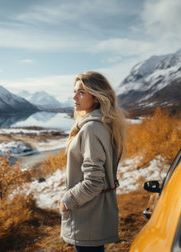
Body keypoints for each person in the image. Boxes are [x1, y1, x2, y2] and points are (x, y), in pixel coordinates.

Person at [60, 71, 127, 251]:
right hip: (93, 214)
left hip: (87, 215)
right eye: (75, 91)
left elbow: (94, 181)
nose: (74, 97)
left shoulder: (91, 129)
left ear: (96, 97)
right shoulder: (102, 124)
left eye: (81, 92)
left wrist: (67, 200)